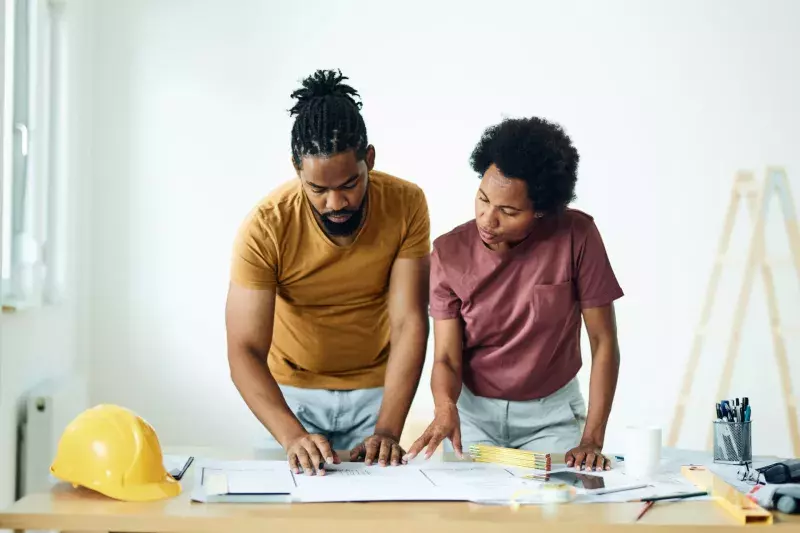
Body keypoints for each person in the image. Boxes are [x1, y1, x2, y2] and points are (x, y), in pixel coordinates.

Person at [226, 69, 430, 475]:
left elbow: (409, 322)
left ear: (369, 159)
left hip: (377, 396)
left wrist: (388, 429)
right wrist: (291, 435)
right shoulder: (266, 225)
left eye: (350, 184)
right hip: (291, 398)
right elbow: (244, 350)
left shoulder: (406, 203)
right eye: (317, 189)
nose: (335, 202)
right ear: (296, 168)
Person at [405, 116, 623, 471]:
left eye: (508, 211)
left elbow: (603, 342)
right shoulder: (448, 253)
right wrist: (445, 409)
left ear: (541, 210)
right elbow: (446, 356)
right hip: (473, 417)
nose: (487, 220)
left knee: (555, 515)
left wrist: (591, 440)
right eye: (483, 199)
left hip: (551, 417)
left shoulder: (576, 236)